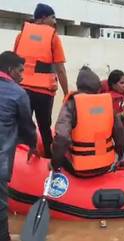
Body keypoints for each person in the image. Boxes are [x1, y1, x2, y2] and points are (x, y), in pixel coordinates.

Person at [14, 3, 69, 158]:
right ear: (44, 18)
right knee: (45, 127)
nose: (54, 21)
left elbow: (13, 62)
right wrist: (66, 93)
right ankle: (48, 162)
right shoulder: (53, 37)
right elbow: (60, 69)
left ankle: (19, 162)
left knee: (22, 126)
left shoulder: (21, 35)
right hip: (43, 93)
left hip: (22, 90)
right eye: (53, 17)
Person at [51, 67, 124, 177]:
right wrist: (118, 156)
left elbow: (62, 138)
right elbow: (122, 139)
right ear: (97, 87)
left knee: (53, 146)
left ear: (79, 86)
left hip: (79, 169)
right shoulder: (106, 104)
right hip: (106, 165)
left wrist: (54, 163)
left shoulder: (72, 104)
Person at [0, 51, 37, 241]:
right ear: (10, 70)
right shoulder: (18, 93)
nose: (22, 76)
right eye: (20, 71)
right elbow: (28, 127)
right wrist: (33, 145)